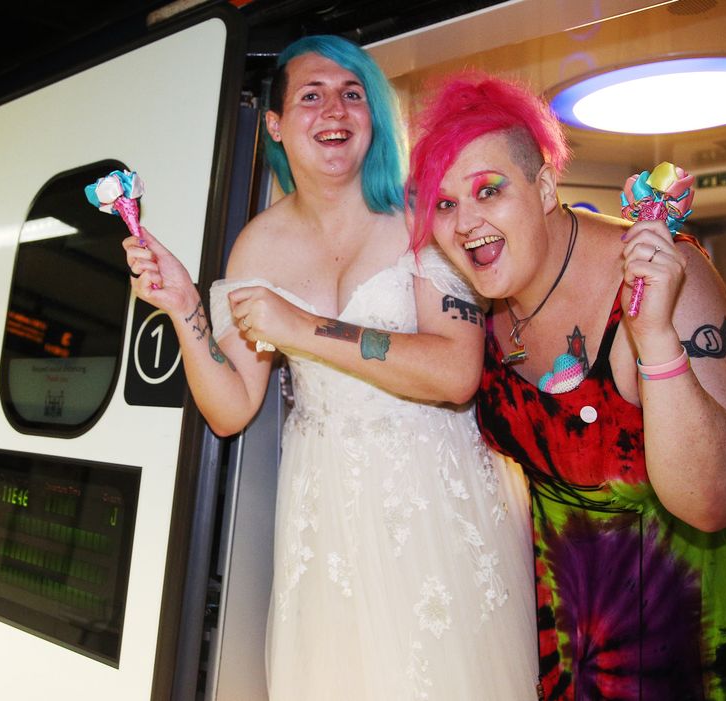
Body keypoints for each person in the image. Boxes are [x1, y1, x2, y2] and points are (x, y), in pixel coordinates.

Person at [124, 37, 537, 700]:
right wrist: (181, 306)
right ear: (276, 126)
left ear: (372, 115)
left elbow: (454, 372)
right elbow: (229, 407)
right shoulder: (256, 244)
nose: (335, 109)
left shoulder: (419, 219)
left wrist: (305, 328)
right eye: (310, 95)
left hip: (434, 493)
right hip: (328, 510)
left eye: (353, 93)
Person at [407, 72, 726, 700]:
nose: (465, 221)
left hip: (682, 649)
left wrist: (658, 341)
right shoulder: (486, 304)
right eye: (446, 203)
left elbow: (715, 501)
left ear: (543, 185)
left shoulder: (662, 279)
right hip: (561, 655)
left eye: (489, 189)